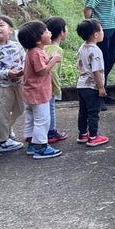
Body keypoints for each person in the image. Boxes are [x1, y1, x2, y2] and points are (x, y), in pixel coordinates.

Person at [17, 20, 63, 159]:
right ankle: (41, 147)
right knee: (42, 120)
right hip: (39, 93)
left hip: (30, 93)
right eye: (46, 32)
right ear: (38, 40)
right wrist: (54, 60)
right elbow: (42, 71)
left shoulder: (31, 52)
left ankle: (32, 144)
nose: (50, 33)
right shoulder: (37, 52)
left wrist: (49, 59)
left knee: (31, 119)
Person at [0, 15, 25, 153]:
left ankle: (6, 128)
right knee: (3, 113)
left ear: (10, 29)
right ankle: (2, 141)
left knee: (21, 109)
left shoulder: (17, 45)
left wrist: (23, 70)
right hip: (3, 87)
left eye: (1, 25)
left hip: (19, 84)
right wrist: (7, 73)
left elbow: (24, 60)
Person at [75, 19, 109, 147]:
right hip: (92, 87)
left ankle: (83, 134)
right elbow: (96, 71)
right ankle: (93, 136)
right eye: (101, 30)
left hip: (81, 85)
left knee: (83, 112)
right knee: (93, 112)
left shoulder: (82, 47)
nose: (103, 32)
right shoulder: (96, 50)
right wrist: (101, 87)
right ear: (96, 34)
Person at [43, 16, 68, 144]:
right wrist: (56, 86)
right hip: (50, 85)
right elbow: (53, 71)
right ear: (62, 32)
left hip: (40, 85)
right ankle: (51, 132)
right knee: (51, 108)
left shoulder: (43, 47)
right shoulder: (57, 50)